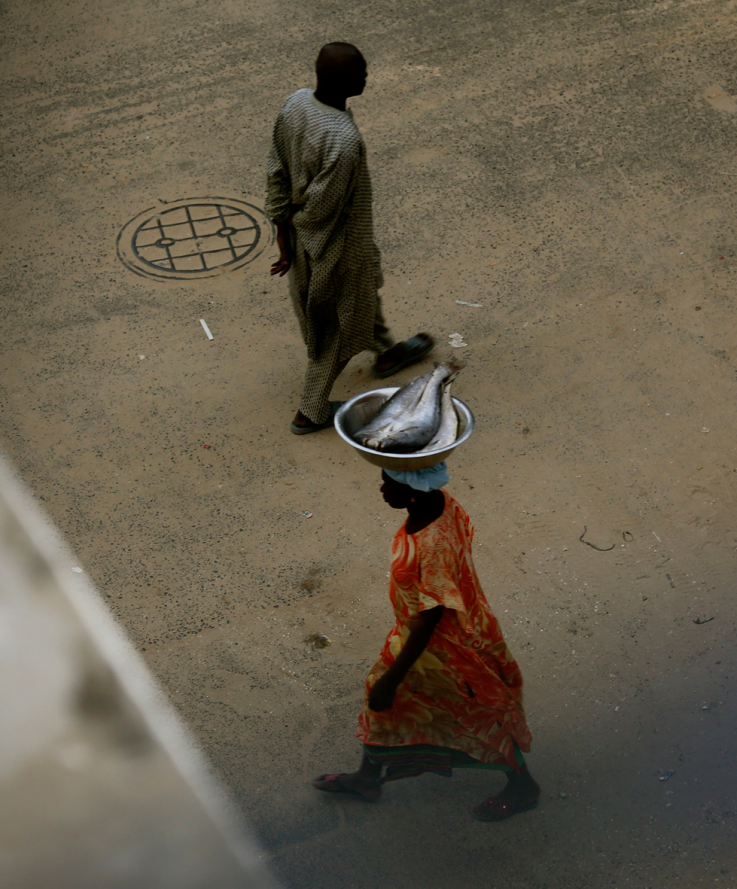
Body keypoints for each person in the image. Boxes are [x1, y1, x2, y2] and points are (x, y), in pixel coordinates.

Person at [312, 464, 539, 821]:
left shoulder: (431, 543)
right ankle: (368, 777)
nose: (382, 490)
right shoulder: (441, 502)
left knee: (480, 715)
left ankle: (523, 785)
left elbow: (431, 616)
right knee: (387, 705)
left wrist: (393, 676)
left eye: (389, 484)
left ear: (412, 490)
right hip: (446, 631)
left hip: (442, 647)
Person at [265, 42, 433, 435]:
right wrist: (294, 231)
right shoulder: (343, 141)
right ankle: (311, 411)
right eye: (361, 72)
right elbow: (321, 208)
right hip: (332, 248)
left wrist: (281, 229)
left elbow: (276, 167)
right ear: (344, 81)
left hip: (318, 240)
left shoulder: (296, 103)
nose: (367, 76)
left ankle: (387, 352)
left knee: (362, 294)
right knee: (334, 329)